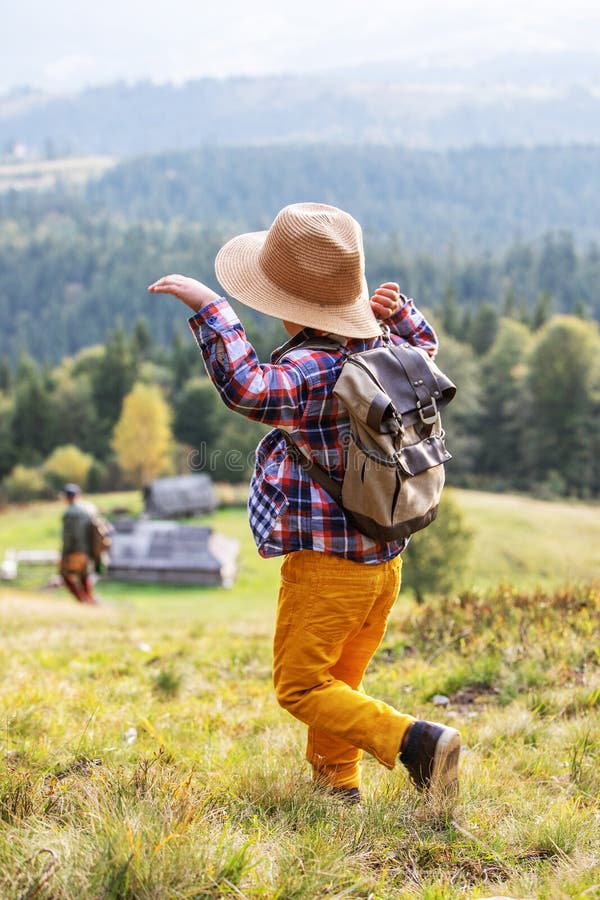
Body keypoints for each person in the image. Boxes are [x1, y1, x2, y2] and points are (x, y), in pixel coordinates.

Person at [148, 202, 460, 803]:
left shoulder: (314, 367)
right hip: (385, 560)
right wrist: (400, 316)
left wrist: (211, 310)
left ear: (282, 306)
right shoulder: (387, 352)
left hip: (328, 568)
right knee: (339, 681)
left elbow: (249, 389)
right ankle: (336, 787)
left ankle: (416, 742)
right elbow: (429, 350)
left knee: (300, 687)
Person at [60, 483, 98, 605]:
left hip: (75, 551)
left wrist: (64, 554)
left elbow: (69, 537)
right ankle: (89, 600)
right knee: (84, 576)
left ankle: (82, 599)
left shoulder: (70, 513)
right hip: (89, 550)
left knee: (65, 574)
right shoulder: (89, 509)